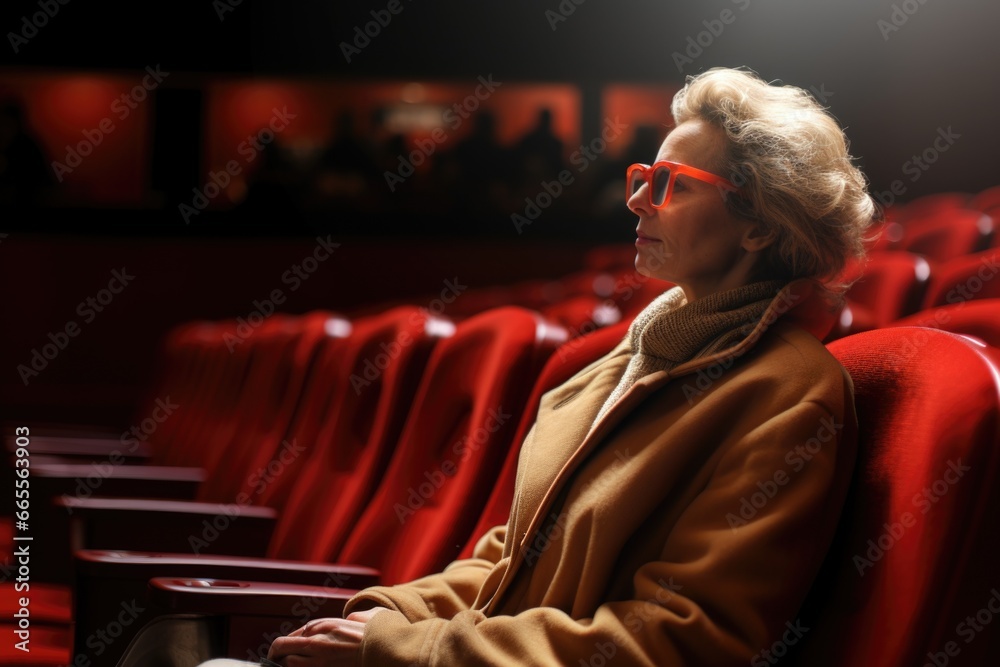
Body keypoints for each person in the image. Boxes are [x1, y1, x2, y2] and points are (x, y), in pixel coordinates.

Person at [194, 65, 876, 666]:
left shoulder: (789, 397)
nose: (636, 199)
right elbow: (512, 558)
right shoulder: (631, 354)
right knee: (186, 644)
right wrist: (391, 616)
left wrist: (411, 651)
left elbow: (681, 642)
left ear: (758, 224)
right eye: (644, 177)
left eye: (670, 184)